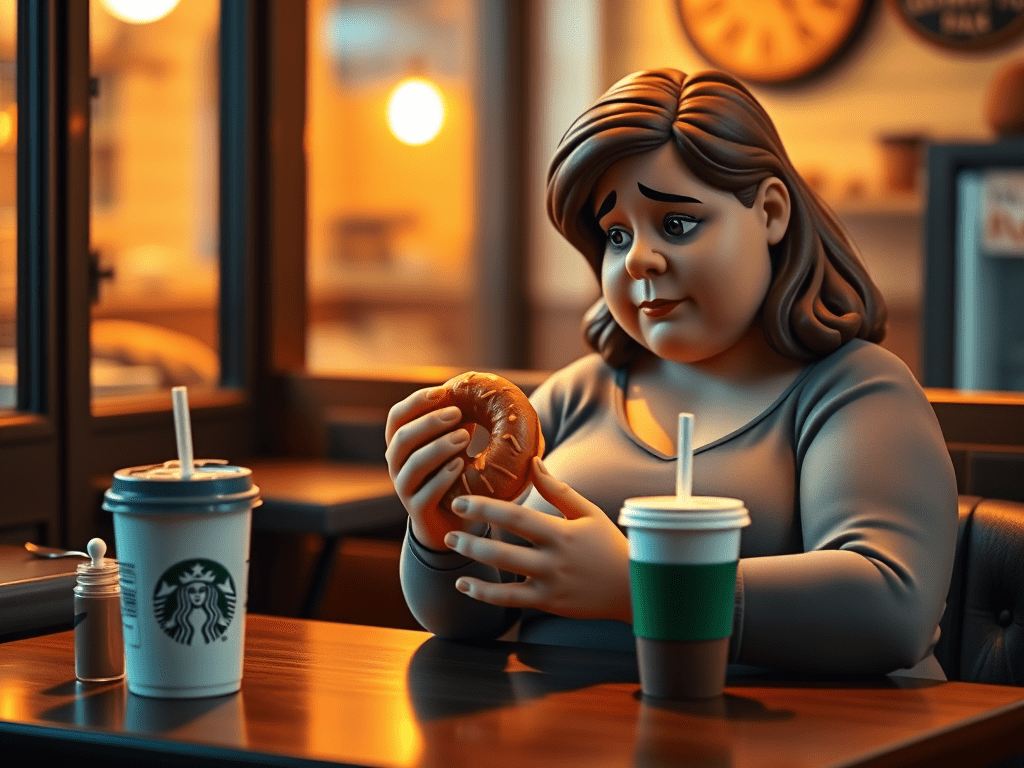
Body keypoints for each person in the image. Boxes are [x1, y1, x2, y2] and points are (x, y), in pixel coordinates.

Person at [385, 69, 957, 676]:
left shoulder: (855, 391)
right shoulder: (576, 396)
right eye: (615, 234)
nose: (639, 259)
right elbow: (469, 614)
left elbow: (892, 607)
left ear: (769, 212)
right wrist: (436, 534)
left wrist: (639, 590)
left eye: (677, 223)